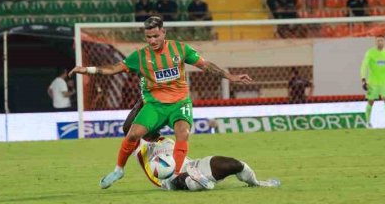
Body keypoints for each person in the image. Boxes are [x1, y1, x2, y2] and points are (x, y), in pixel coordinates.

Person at [71, 16, 254, 189]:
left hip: (179, 103)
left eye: (155, 36)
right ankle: (118, 170)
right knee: (133, 134)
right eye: (148, 37)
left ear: (164, 33)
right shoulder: (140, 56)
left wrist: (230, 76)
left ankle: (174, 175)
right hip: (155, 106)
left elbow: (204, 65)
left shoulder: (180, 49)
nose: (152, 40)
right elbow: (114, 69)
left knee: (183, 133)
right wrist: (87, 70)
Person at [138, 136, 279, 191]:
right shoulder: (140, 148)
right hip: (169, 178)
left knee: (235, 164)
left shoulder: (166, 140)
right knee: (181, 179)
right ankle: (193, 181)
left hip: (193, 165)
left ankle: (256, 183)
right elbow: (153, 175)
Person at [360, 34, 385, 128]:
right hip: (373, 82)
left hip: (384, 82)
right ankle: (367, 122)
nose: (380, 42)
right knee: (370, 102)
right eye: (378, 40)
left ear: (384, 42)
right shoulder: (370, 52)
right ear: (375, 42)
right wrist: (363, 79)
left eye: (381, 40)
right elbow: (364, 65)